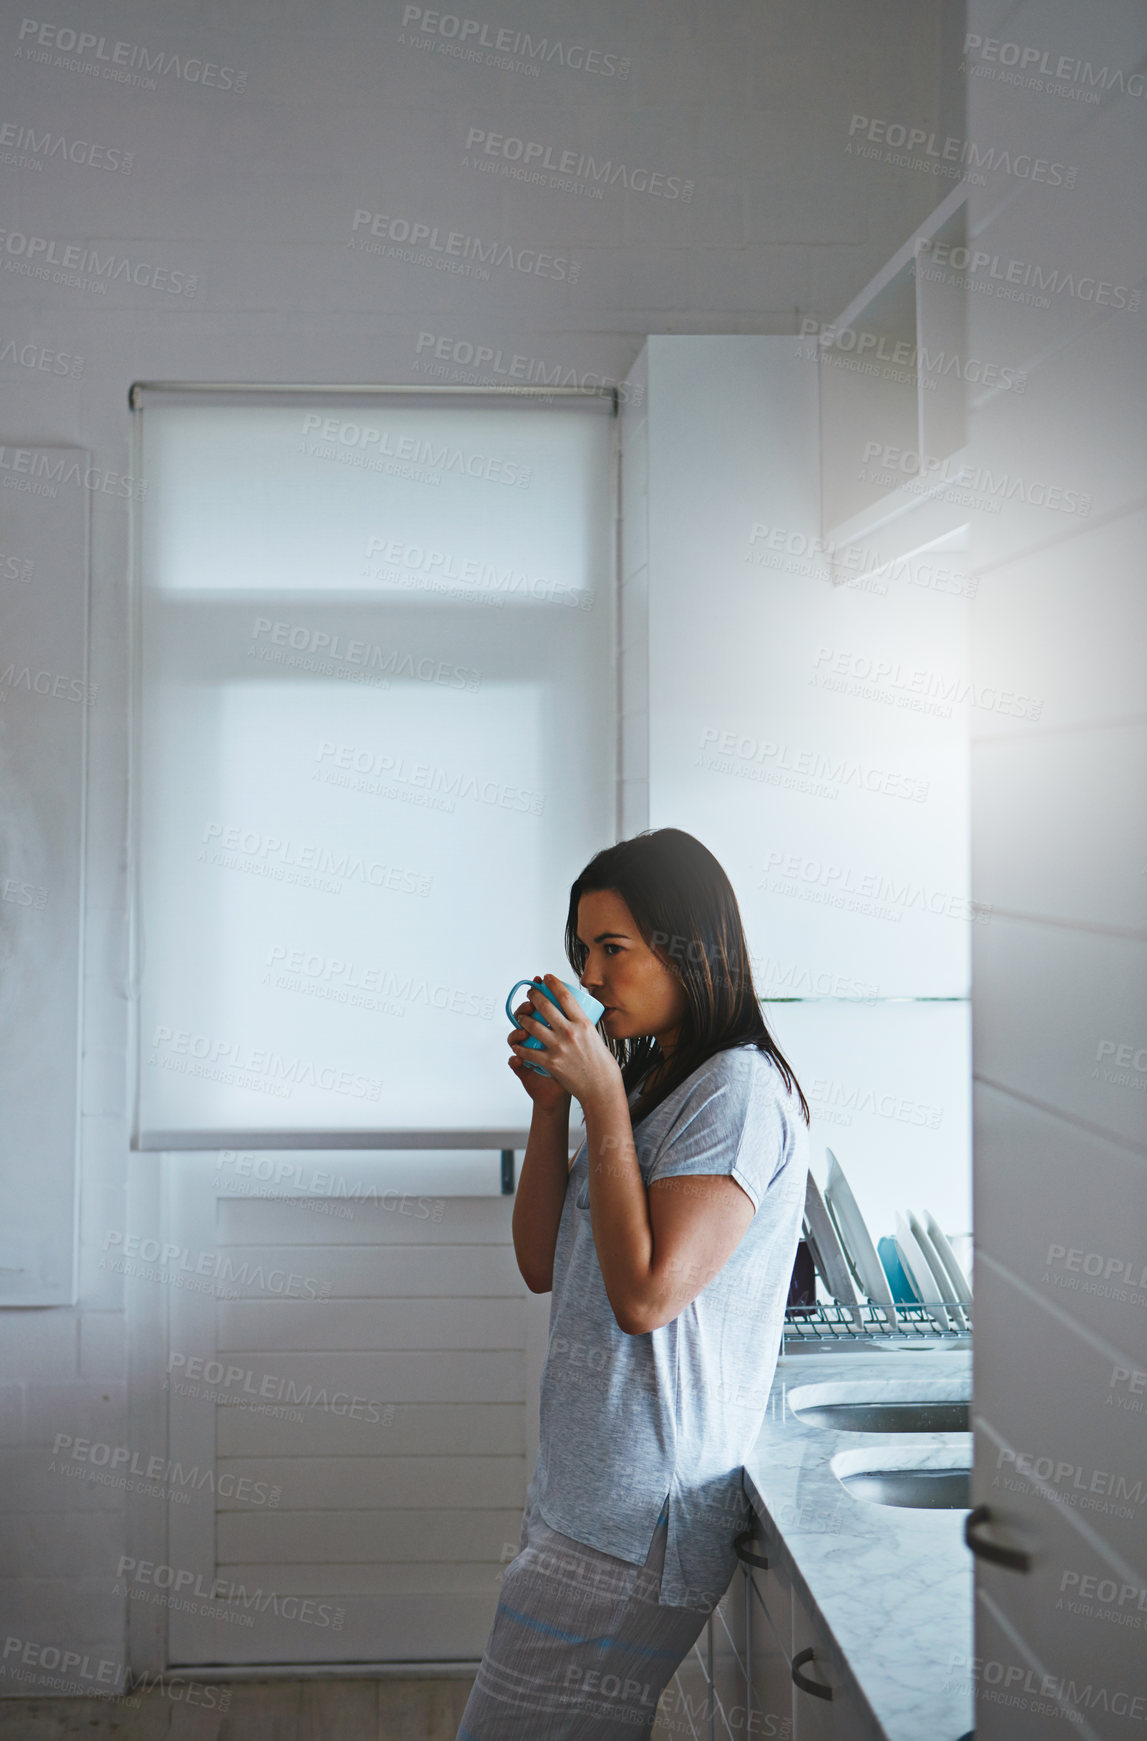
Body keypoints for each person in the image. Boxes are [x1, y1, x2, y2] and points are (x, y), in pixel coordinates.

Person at [457, 828, 810, 1740]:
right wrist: (551, 1108)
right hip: (589, 1499)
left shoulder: (734, 1091)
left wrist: (601, 1099)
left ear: (691, 950)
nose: (591, 972)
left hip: (635, 1517)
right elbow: (541, 1262)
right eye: (582, 950)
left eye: (614, 947)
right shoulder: (655, 1079)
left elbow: (645, 1295)